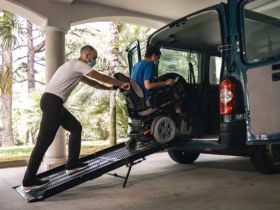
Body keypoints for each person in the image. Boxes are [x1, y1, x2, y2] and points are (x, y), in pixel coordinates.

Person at [22, 45, 130, 190]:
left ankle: (72, 165)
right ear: (86, 55)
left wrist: (111, 88)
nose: (95, 61)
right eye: (94, 58)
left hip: (55, 103)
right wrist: (121, 83)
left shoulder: (75, 68)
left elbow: (94, 83)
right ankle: (28, 180)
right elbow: (100, 77)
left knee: (76, 128)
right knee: (43, 142)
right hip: (52, 102)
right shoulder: (78, 64)